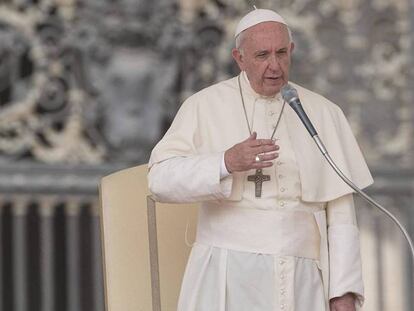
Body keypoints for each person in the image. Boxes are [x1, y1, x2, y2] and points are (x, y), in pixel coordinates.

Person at [148, 8, 373, 311]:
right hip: (226, 273)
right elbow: (159, 181)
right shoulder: (203, 105)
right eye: (262, 55)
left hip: (302, 278)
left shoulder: (324, 112)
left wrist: (343, 291)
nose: (274, 65)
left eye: (282, 53)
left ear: (291, 50)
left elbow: (342, 212)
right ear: (239, 58)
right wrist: (225, 162)